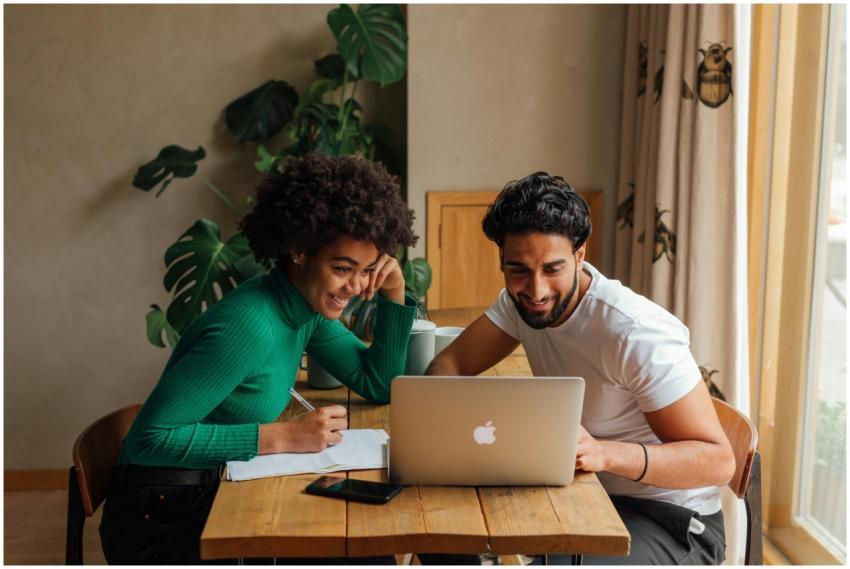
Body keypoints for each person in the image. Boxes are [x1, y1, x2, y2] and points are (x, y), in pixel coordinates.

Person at [99, 153, 419, 564]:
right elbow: (148, 440)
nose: (355, 286)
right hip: (162, 518)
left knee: (366, 547)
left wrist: (394, 290)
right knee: (361, 554)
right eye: (343, 268)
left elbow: (377, 383)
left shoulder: (304, 308)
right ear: (299, 250)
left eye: (366, 270)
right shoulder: (249, 325)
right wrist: (283, 437)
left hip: (217, 486)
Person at [423, 172, 735, 565]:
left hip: (671, 521)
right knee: (443, 532)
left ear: (580, 255)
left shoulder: (634, 332)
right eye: (518, 269)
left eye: (553, 269)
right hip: (582, 493)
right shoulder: (518, 302)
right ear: (501, 260)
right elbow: (450, 364)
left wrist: (604, 454)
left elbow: (719, 461)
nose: (536, 291)